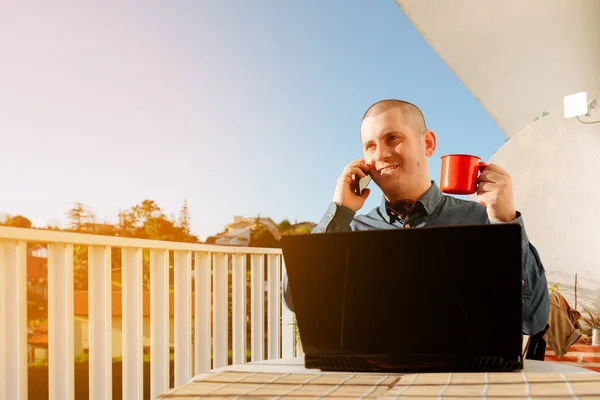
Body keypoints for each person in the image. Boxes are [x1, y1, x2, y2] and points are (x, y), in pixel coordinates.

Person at [282, 99, 550, 336]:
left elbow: (533, 321)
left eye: (392, 138)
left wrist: (505, 224)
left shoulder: (484, 222)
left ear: (428, 143)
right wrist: (339, 212)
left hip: (462, 382)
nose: (381, 154)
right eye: (370, 146)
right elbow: (297, 299)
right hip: (372, 380)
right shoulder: (349, 231)